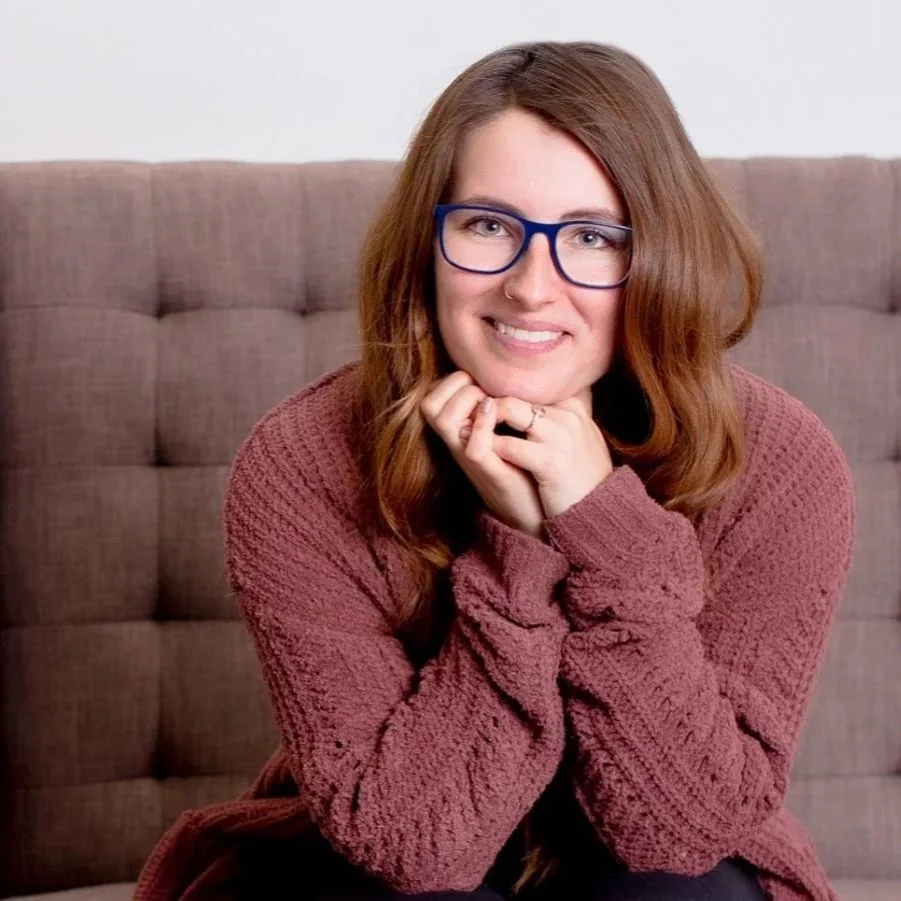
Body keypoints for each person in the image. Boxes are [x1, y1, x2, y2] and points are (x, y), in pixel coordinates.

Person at [133, 41, 856, 901]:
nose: (530, 287)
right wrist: (518, 550)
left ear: (660, 258)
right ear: (428, 242)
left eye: (591, 237)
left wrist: (597, 521)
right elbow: (408, 844)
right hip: (384, 859)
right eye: (487, 226)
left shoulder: (779, 462)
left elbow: (681, 828)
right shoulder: (303, 458)